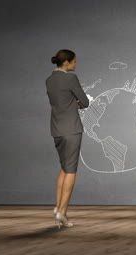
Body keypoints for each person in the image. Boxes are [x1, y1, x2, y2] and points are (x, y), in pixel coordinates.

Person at [45, 49, 90, 228]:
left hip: (56, 129)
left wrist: (71, 103)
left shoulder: (49, 80)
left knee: (64, 168)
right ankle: (62, 213)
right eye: (74, 61)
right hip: (71, 129)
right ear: (66, 63)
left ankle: (58, 208)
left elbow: (59, 102)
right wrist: (76, 104)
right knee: (71, 170)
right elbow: (84, 102)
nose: (75, 64)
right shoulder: (70, 78)